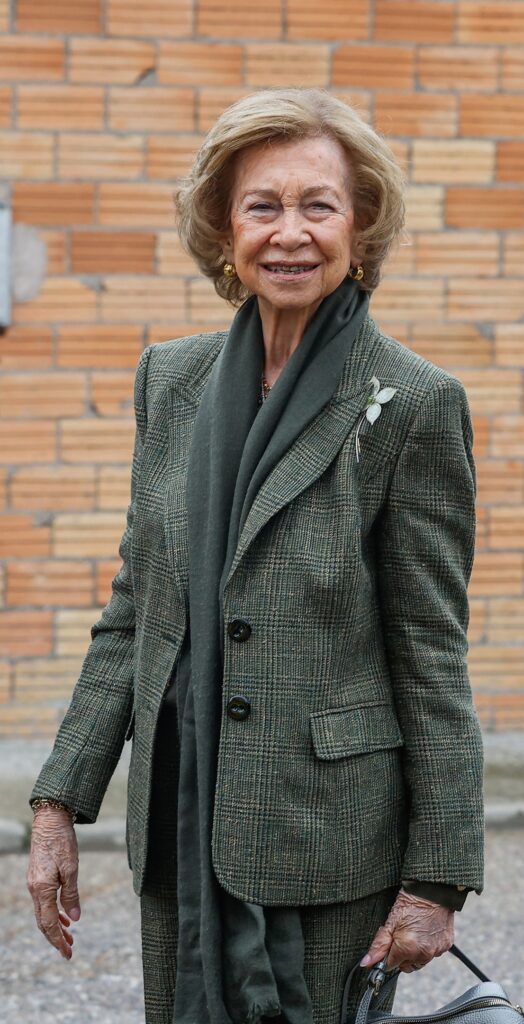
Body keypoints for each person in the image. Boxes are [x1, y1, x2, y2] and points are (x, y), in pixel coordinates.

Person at [27, 88, 484, 1024]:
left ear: (361, 226)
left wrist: (439, 877)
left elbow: (430, 650)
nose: (290, 233)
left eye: (319, 205)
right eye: (262, 206)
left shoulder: (413, 403)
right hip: (182, 817)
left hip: (325, 840)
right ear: (223, 228)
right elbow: (136, 610)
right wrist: (57, 803)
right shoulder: (171, 380)